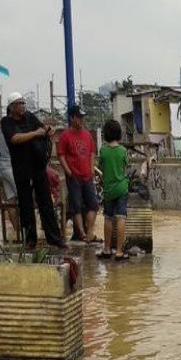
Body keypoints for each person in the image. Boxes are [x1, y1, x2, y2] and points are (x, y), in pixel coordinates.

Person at [0, 92, 65, 249]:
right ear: (11, 107)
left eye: (23, 103)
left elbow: (42, 128)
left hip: (38, 167)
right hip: (21, 169)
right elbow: (15, 138)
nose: (23, 106)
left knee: (46, 204)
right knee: (26, 206)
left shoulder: (29, 117)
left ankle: (55, 239)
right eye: (19, 104)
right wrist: (35, 133)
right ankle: (30, 241)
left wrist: (47, 129)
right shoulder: (6, 122)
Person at [57, 105, 99, 243]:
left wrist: (92, 168)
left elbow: (92, 152)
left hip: (87, 176)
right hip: (73, 176)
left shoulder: (87, 134)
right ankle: (81, 233)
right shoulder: (65, 136)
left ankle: (90, 232)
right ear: (72, 118)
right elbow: (61, 155)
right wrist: (68, 171)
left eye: (82, 117)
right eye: (79, 117)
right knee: (77, 207)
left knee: (93, 204)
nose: (82, 120)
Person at [97, 120, 130, 261]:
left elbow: (101, 167)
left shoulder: (103, 150)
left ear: (105, 135)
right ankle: (119, 252)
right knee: (121, 217)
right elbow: (125, 167)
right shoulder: (123, 151)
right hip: (122, 189)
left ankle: (106, 249)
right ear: (119, 134)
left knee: (108, 218)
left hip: (108, 190)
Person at [0, 126, 20, 234]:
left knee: (11, 200)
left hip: (3, 168)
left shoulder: (0, 131)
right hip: (11, 167)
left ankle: (16, 232)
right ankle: (25, 232)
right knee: (23, 198)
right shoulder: (11, 129)